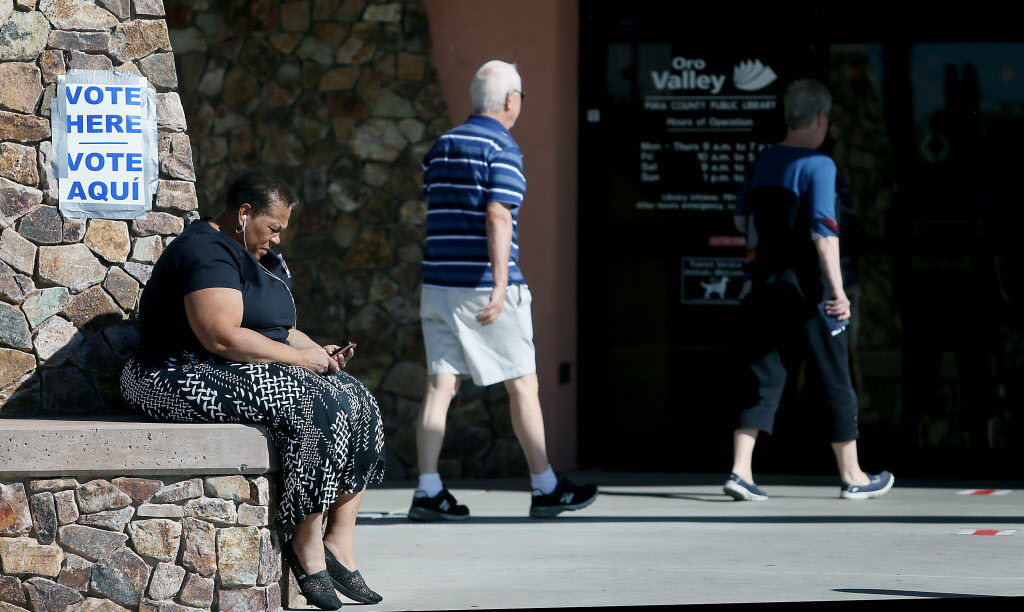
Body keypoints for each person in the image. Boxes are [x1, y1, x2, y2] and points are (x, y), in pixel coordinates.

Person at [120, 170, 385, 609]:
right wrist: (301, 363)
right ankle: (305, 541)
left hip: (222, 366)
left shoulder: (249, 254)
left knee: (356, 396)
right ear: (244, 214)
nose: (278, 239)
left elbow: (280, 332)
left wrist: (320, 354)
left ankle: (339, 540)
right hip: (169, 372)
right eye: (273, 228)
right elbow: (221, 336)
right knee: (311, 402)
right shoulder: (207, 251)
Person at [410, 60, 597, 521]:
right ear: (511, 101)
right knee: (523, 383)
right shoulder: (502, 147)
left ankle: (428, 490)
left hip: (437, 283)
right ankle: (545, 486)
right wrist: (498, 286)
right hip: (482, 286)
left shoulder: (443, 145)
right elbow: (498, 215)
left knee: (440, 386)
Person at [725, 79, 894, 501]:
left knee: (762, 377)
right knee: (836, 378)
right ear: (821, 117)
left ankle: (740, 471)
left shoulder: (764, 160)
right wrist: (838, 291)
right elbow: (824, 231)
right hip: (809, 291)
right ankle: (853, 476)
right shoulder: (820, 165)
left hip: (765, 286)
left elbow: (741, 223)